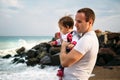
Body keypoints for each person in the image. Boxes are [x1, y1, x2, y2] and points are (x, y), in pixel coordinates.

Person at [60, 8, 99, 80]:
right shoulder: (88, 38)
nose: (75, 24)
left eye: (79, 22)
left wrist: (63, 46)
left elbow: (65, 63)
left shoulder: (86, 40)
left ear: (90, 22)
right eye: (75, 21)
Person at [50, 16, 81, 80]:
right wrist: (55, 42)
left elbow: (76, 38)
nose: (60, 30)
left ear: (67, 27)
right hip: (67, 51)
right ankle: (61, 72)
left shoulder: (73, 33)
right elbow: (61, 41)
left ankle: (61, 72)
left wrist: (73, 43)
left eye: (61, 28)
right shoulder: (64, 35)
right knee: (62, 63)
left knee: (65, 62)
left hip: (72, 51)